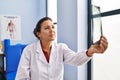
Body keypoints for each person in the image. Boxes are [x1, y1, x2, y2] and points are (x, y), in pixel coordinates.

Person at [15, 17, 108, 80]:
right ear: (38, 33)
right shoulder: (29, 50)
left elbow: (75, 59)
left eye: (53, 27)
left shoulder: (61, 48)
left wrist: (90, 52)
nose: (52, 30)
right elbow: (22, 77)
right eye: (47, 28)